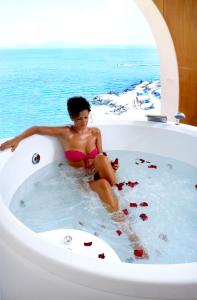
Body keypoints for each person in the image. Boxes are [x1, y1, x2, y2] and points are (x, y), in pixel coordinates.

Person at [0, 96, 148, 259]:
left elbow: (101, 155)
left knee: (101, 159)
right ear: (71, 118)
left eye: (86, 117)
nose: (83, 122)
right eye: (79, 119)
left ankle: (118, 196)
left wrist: (111, 166)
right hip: (80, 180)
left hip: (97, 172)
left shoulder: (96, 132)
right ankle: (131, 236)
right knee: (104, 186)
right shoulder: (65, 133)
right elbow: (36, 129)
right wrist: (16, 139)